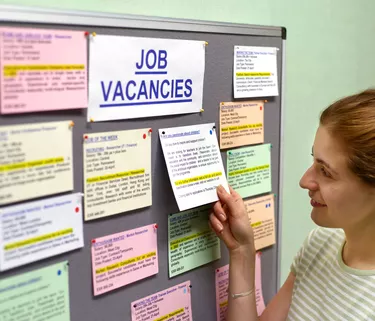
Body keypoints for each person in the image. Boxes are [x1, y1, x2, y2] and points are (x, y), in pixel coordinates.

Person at [209, 89, 375, 321]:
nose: (305, 181)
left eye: (325, 171)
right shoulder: (319, 245)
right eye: (313, 161)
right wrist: (242, 252)